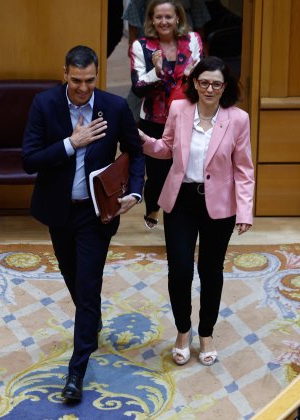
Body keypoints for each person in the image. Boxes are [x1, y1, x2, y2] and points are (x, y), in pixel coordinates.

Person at [22, 46, 145, 401]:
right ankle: (91, 322)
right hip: (59, 211)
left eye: (90, 80)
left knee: (88, 286)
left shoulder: (115, 107)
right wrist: (70, 144)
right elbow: (29, 160)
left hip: (97, 214)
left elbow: (134, 152)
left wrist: (134, 193)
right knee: (74, 279)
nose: (82, 88)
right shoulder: (45, 105)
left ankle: (75, 374)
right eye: (76, 81)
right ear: (64, 74)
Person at [139, 56, 254, 366]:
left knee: (210, 271)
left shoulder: (238, 119)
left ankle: (206, 333)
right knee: (179, 271)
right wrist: (144, 141)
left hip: (219, 205)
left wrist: (245, 211)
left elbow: (244, 169)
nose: (209, 88)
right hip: (181, 201)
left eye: (216, 83)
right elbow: (165, 147)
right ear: (194, 83)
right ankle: (182, 331)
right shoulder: (179, 110)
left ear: (224, 87)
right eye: (204, 82)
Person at [130, 0, 203, 229]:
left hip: (187, 117)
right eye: (159, 17)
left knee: (184, 169)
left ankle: (179, 217)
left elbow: (203, 78)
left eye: (168, 17)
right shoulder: (141, 46)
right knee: (157, 175)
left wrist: (193, 75)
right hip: (154, 119)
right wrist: (157, 72)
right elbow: (138, 87)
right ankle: (153, 206)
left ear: (178, 18)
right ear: (151, 19)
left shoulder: (192, 40)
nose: (164, 22)